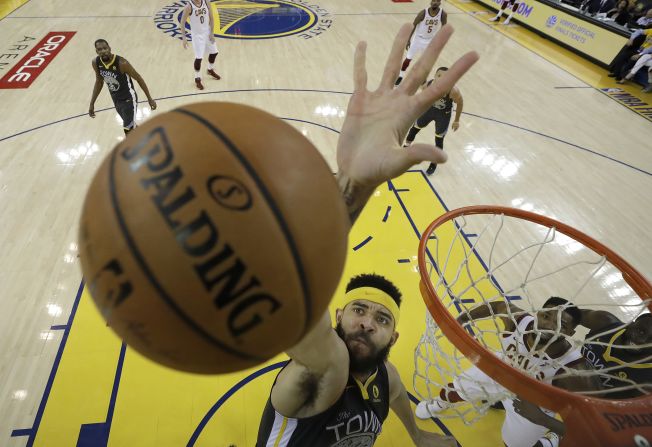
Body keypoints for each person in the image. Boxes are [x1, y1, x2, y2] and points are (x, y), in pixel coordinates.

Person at [255, 23, 479, 447]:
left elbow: (394, 390)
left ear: (394, 338)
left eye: (380, 320)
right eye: (358, 311)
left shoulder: (384, 376)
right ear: (336, 316)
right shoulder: (319, 371)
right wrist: (355, 187)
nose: (364, 324)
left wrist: (418, 435)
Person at [415, 297, 601, 447]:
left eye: (561, 324)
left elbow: (589, 430)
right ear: (538, 313)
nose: (549, 326)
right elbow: (496, 306)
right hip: (501, 371)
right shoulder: (519, 321)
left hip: (531, 405)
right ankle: (438, 404)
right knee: (456, 388)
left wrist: (542, 419)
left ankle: (551, 438)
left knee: (512, 443)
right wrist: (462, 320)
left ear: (571, 332)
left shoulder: (575, 369)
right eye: (547, 316)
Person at [403, 67, 463, 175]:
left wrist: (457, 120)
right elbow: (423, 90)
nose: (441, 79)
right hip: (429, 110)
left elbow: (460, 103)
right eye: (439, 75)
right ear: (435, 75)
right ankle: (406, 148)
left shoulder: (453, 90)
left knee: (439, 140)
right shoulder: (430, 83)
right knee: (414, 128)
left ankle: (434, 162)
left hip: (443, 115)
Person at [88, 39, 156, 134]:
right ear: (96, 51)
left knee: (128, 130)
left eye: (105, 48)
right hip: (116, 99)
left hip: (129, 99)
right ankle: (148, 137)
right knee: (132, 126)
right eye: (99, 49)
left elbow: (139, 78)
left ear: (109, 48)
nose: (103, 51)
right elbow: (99, 82)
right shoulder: (96, 62)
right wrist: (92, 103)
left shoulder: (122, 63)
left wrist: (149, 98)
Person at [579, 310, 652, 398]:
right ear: (631, 324)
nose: (643, 340)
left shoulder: (648, 378)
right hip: (564, 374)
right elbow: (566, 313)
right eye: (641, 331)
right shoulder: (605, 322)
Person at [395, 0, 447, 86]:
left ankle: (422, 78)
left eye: (437, 1)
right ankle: (400, 75)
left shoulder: (442, 14)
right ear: (430, 2)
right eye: (433, 0)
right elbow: (413, 25)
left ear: (440, 3)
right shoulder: (423, 13)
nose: (435, 2)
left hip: (430, 40)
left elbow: (444, 27)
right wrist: (408, 39)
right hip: (418, 39)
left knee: (425, 62)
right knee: (408, 59)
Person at [180, 0, 221, 90]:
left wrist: (212, 33)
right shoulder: (189, 6)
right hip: (197, 36)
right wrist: (184, 38)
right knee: (199, 58)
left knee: (214, 52)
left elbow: (211, 18)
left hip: (207, 32)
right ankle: (197, 78)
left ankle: (210, 69)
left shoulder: (206, 2)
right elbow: (182, 22)